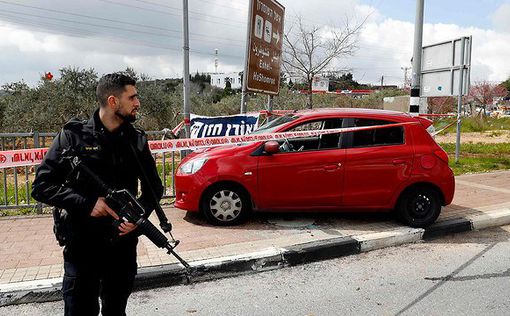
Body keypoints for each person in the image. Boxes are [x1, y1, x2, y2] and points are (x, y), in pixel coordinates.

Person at [32, 73, 164, 316]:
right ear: (113, 101)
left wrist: (138, 216)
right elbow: (41, 186)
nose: (138, 103)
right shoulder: (73, 137)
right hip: (83, 246)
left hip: (121, 249)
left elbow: (155, 188)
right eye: (132, 97)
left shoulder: (135, 140)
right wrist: (87, 203)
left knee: (116, 311)